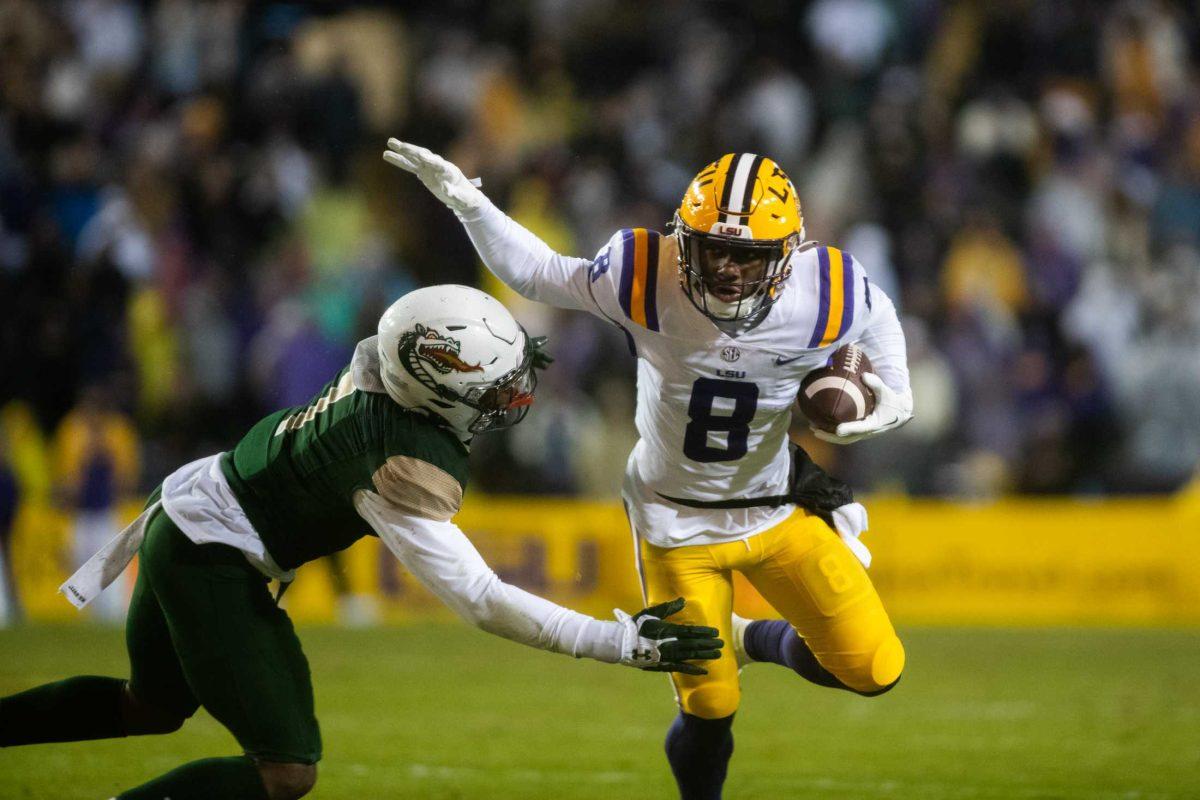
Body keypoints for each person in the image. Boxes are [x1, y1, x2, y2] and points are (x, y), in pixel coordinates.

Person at [0, 285, 722, 800]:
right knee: (287, 770)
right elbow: (481, 600)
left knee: (148, 708)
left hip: (192, 509)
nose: (514, 400)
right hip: (209, 552)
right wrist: (614, 642)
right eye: (494, 390)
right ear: (437, 394)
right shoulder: (391, 462)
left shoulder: (388, 361)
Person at [386, 142, 914, 800]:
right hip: (674, 523)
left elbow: (882, 319)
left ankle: (752, 640)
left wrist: (889, 399)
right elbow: (544, 273)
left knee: (873, 667)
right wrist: (471, 204)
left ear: (787, 255)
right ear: (680, 241)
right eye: (711, 249)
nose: (726, 271)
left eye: (747, 256)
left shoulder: (828, 290)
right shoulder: (645, 274)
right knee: (710, 706)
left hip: (777, 506)